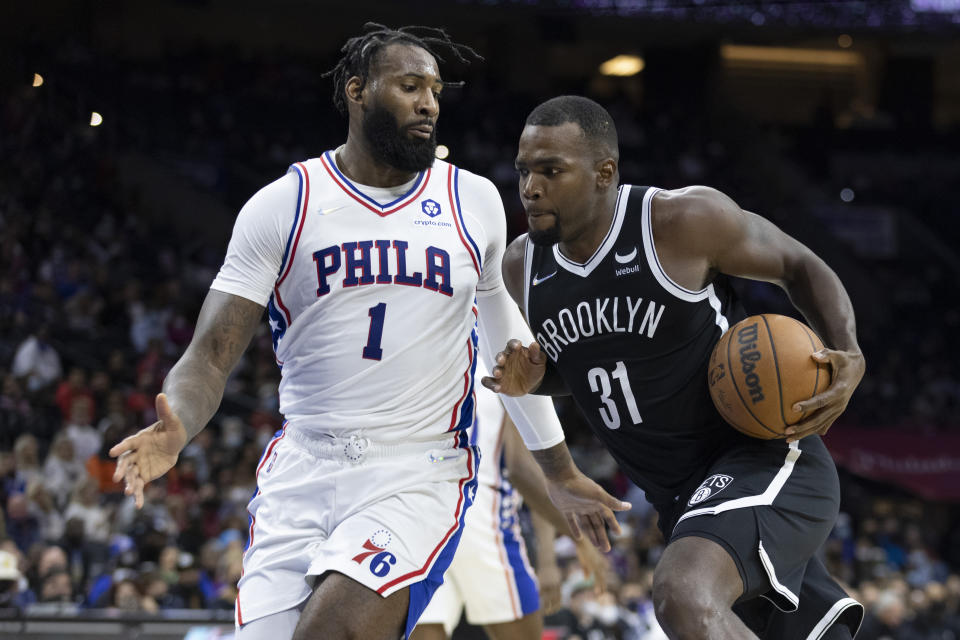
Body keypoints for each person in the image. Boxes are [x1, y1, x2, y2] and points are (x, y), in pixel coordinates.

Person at [108, 27, 625, 640]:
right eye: (409, 86)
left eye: (435, 89)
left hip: (419, 470)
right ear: (357, 91)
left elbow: (509, 349)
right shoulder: (285, 204)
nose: (428, 102)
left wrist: (560, 471)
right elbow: (210, 357)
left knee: (334, 630)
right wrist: (180, 425)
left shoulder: (473, 200)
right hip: (303, 469)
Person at [483, 95, 866, 640]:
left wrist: (847, 349)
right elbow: (592, 370)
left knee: (683, 595)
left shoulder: (680, 222)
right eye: (524, 170)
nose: (530, 187)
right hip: (682, 498)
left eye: (551, 170)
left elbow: (797, 264)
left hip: (764, 458)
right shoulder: (523, 267)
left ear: (604, 173)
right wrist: (536, 381)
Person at [412, 366, 608, 640]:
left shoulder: (439, 351)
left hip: (419, 506)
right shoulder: (510, 358)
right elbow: (524, 470)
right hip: (476, 506)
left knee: (426, 627)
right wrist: (580, 541)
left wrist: (549, 559)